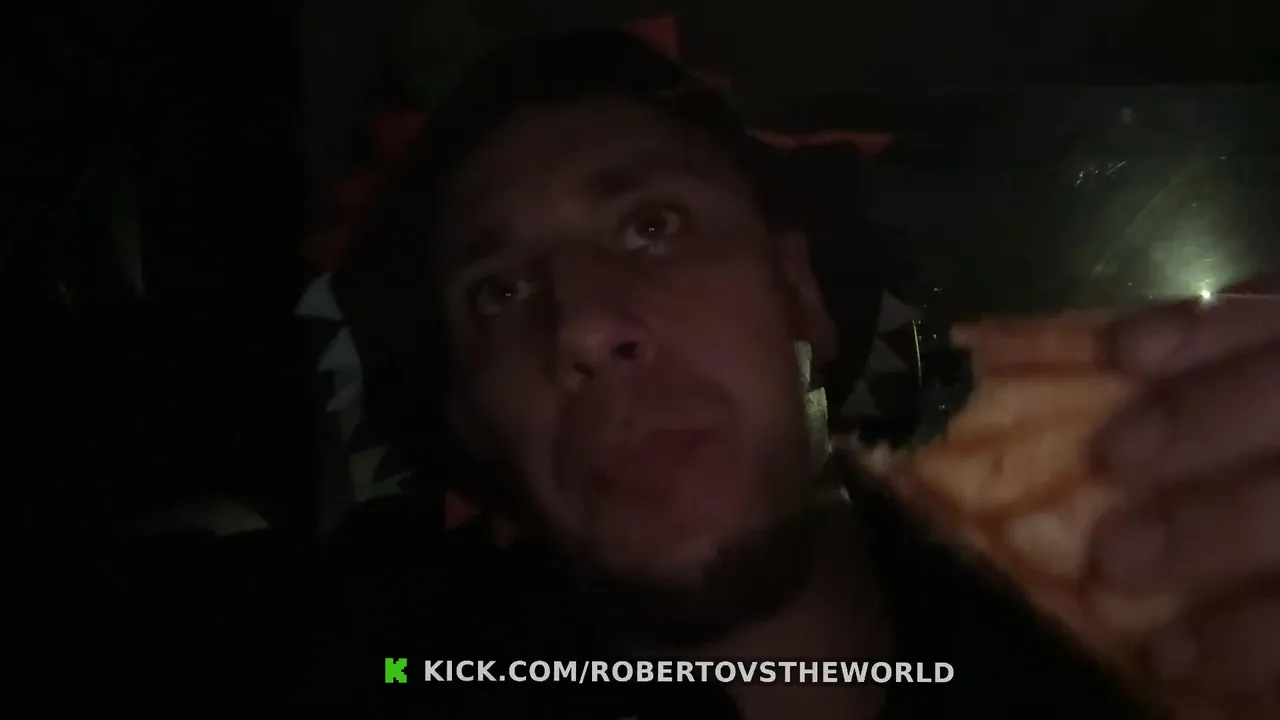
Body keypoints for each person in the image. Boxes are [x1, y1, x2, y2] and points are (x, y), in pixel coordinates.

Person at [302, 29, 1280, 720]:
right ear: (474, 418)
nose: (584, 326)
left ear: (799, 298)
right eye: (500, 293)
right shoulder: (388, 670)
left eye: (652, 227)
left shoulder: (1125, 634)